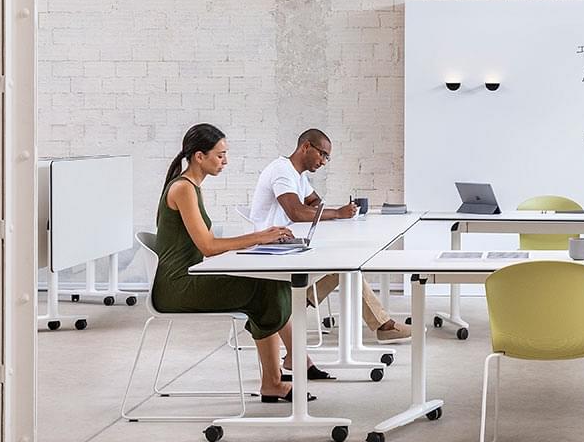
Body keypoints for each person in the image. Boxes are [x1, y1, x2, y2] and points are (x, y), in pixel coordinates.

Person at [152, 123, 311, 402]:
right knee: (267, 289)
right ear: (199, 156)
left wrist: (257, 242)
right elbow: (209, 247)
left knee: (270, 285)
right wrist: (259, 237)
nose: (225, 161)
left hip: (189, 278)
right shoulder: (183, 189)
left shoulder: (190, 187)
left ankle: (279, 374)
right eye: (220, 155)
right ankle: (273, 381)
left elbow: (209, 244)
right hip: (176, 288)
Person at [249, 128, 410, 344]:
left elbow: (314, 202)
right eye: (322, 154)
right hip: (271, 249)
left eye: (327, 156)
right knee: (343, 266)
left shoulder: (298, 176)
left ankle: (281, 310)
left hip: (288, 243)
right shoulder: (281, 170)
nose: (324, 161)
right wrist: (337, 213)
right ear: (306, 146)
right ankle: (383, 325)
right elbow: (295, 212)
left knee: (344, 266)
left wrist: (325, 210)